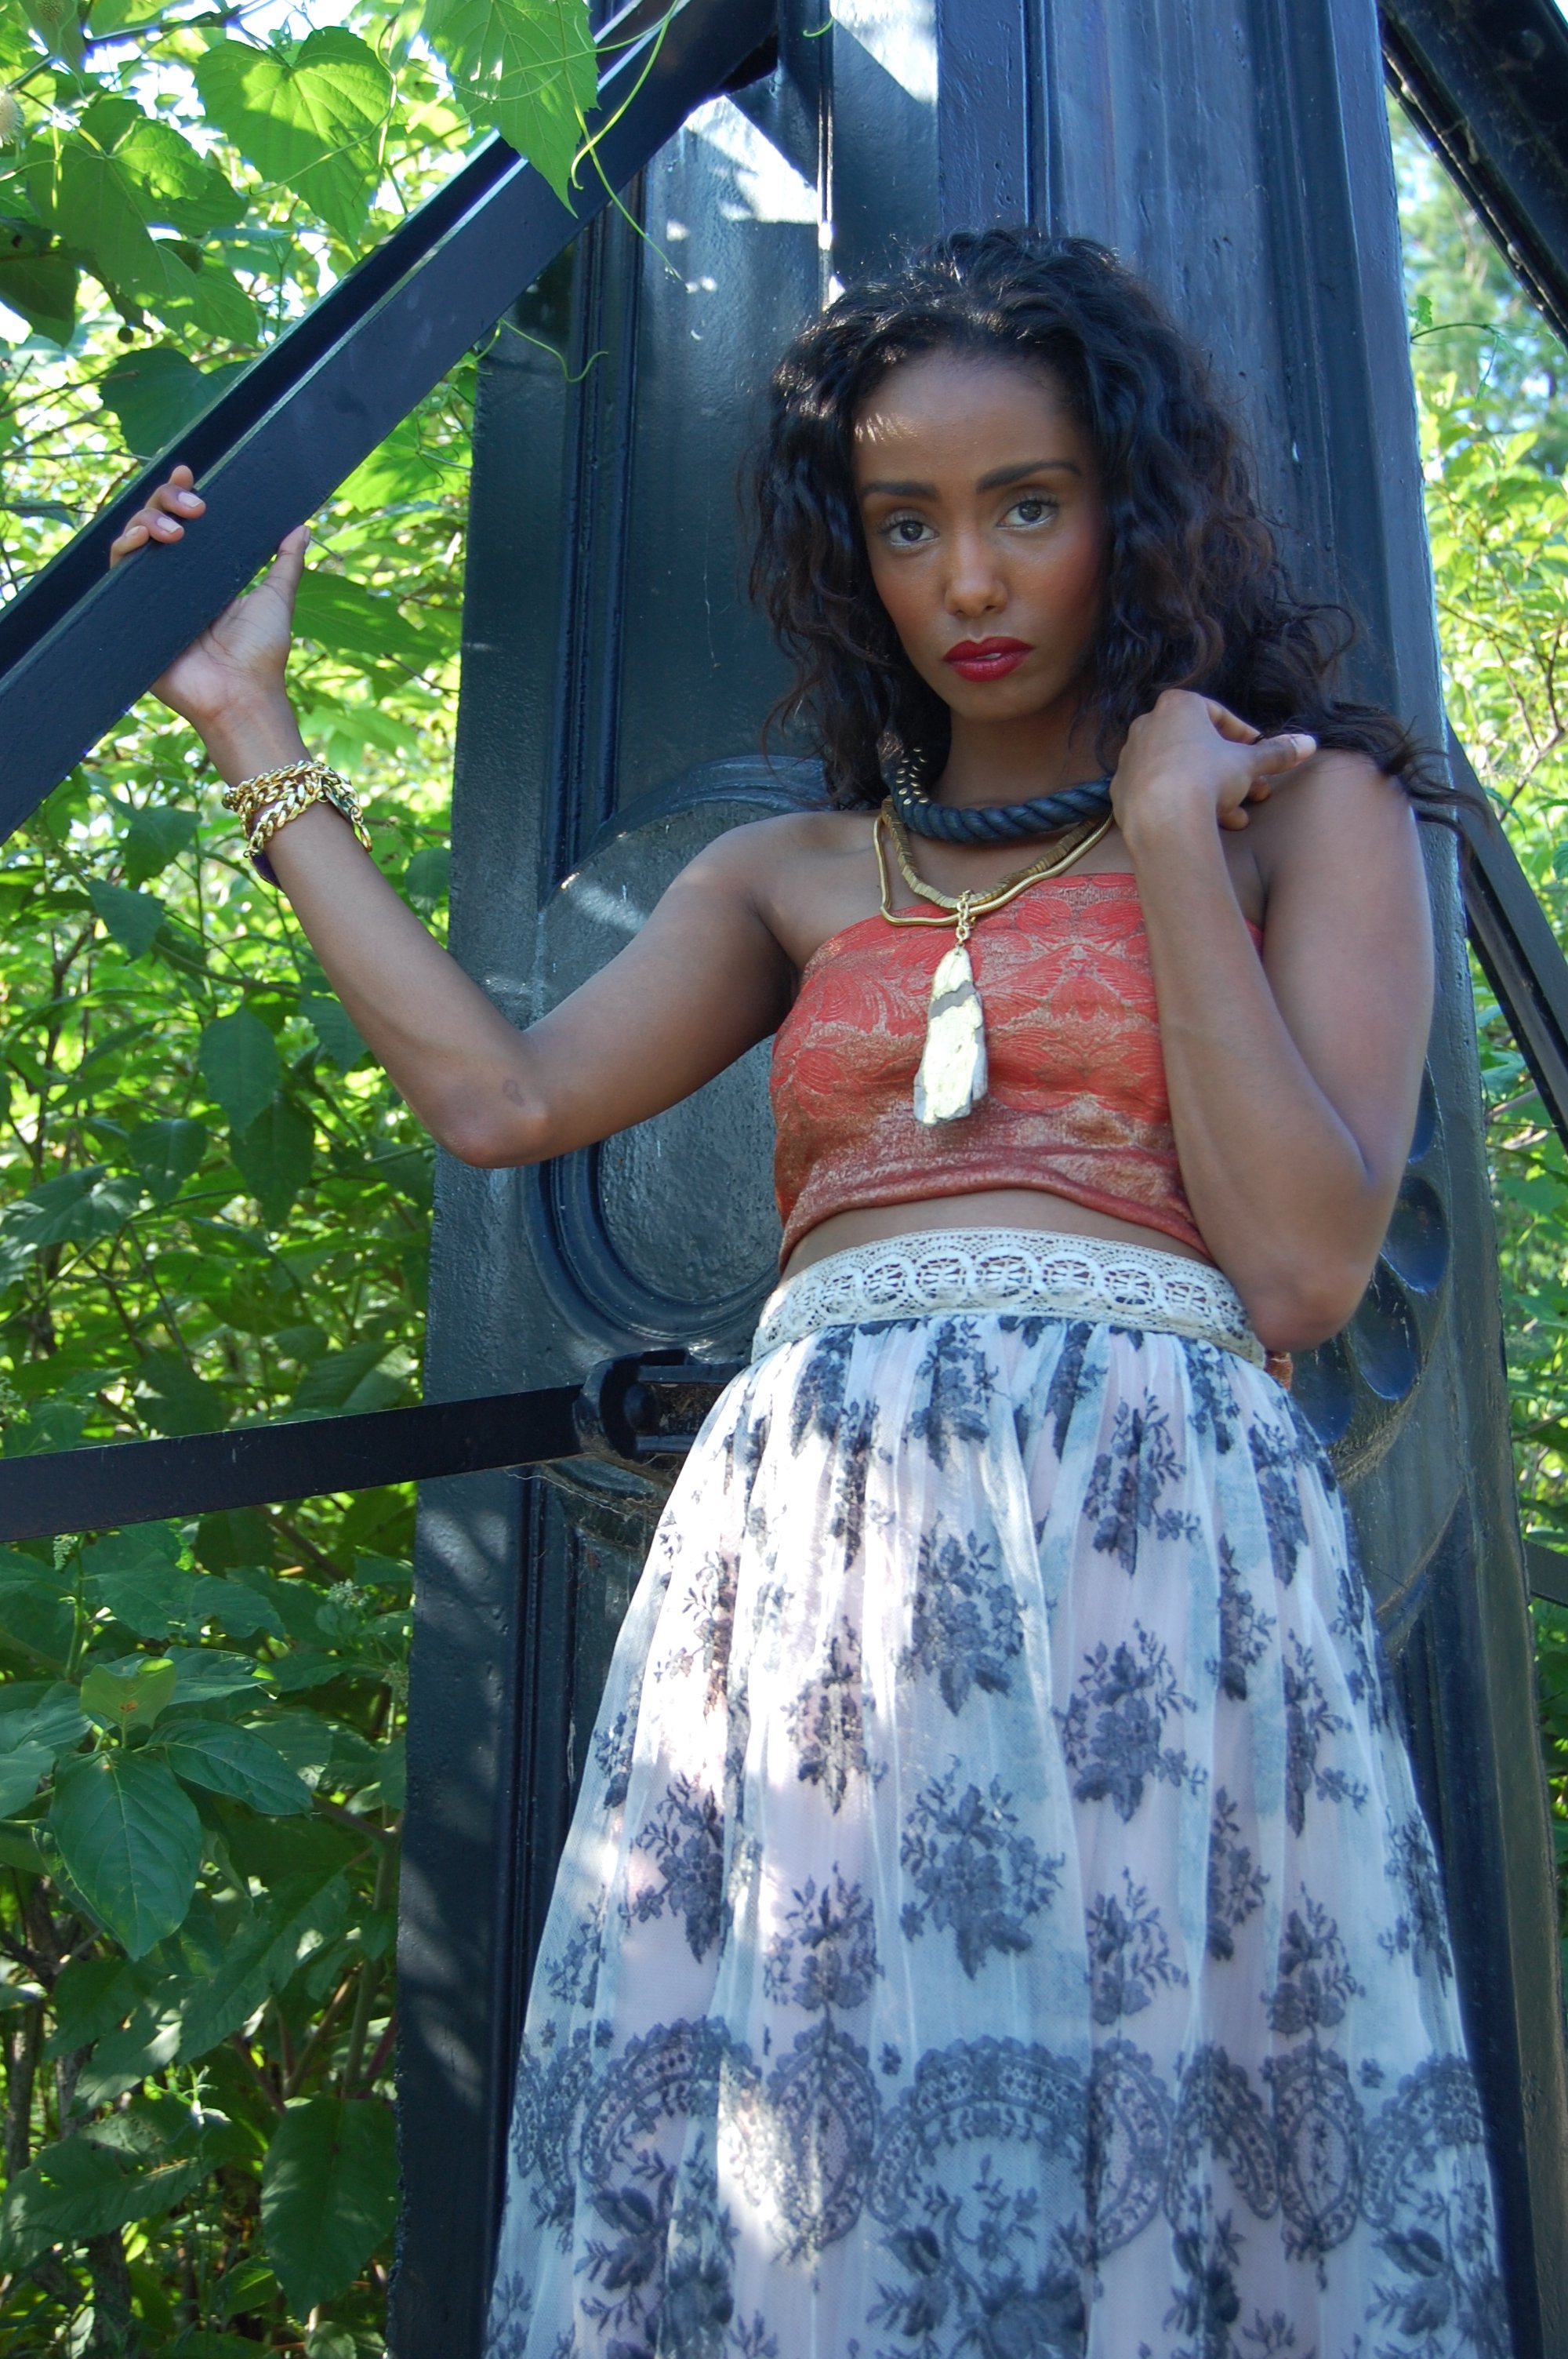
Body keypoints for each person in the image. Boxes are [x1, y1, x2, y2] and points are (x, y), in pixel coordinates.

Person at [114, 229, 1505, 2359]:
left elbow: (1307, 1265)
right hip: (818, 1547)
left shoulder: (1299, 819)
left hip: (1155, 1523)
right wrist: (253, 727)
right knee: (803, 2105)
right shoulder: (789, 875)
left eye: (1028, 505)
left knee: (1173, 2116)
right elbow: (500, 1097)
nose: (970, 578)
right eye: (908, 522)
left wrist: (1157, 839)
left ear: (1136, 505)